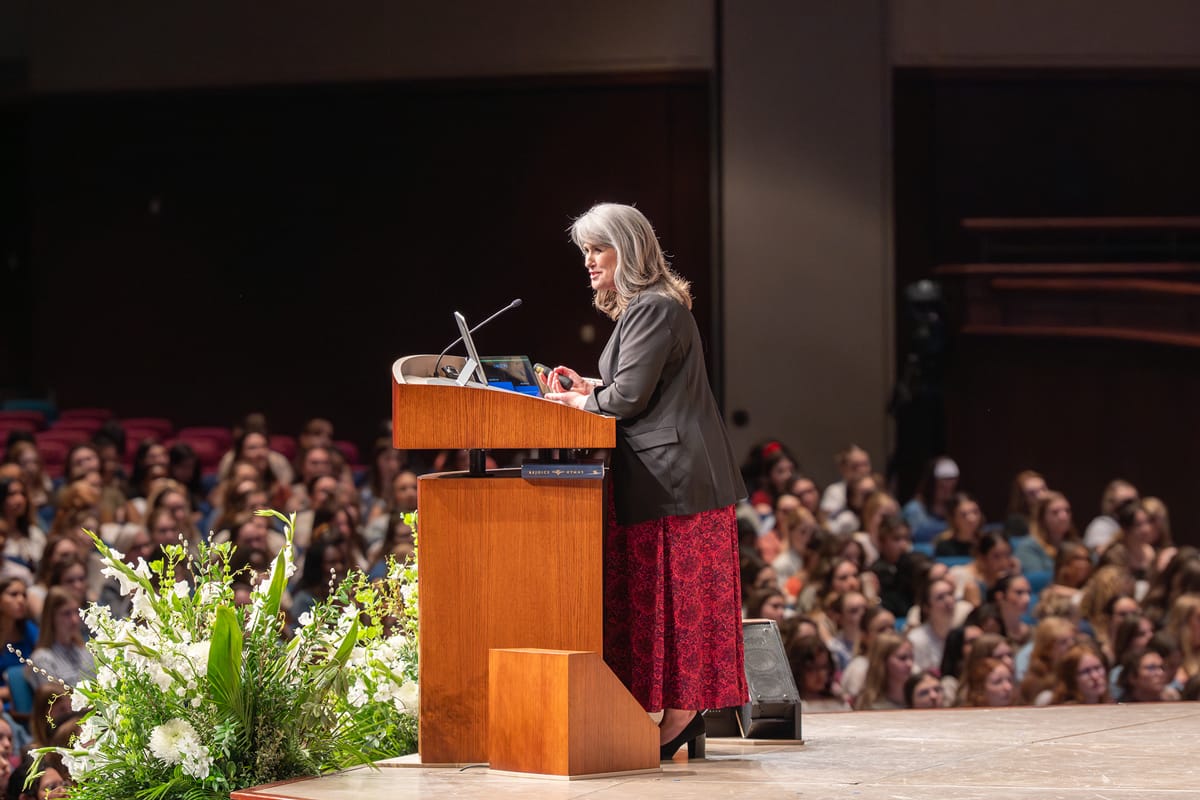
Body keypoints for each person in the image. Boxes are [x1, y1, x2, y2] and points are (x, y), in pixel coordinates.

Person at [544, 203, 747, 760]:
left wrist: (584, 399)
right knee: (667, 601)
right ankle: (678, 713)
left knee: (681, 601)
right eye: (585, 251)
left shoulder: (653, 307)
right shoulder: (649, 308)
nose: (588, 262)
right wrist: (587, 386)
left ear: (628, 250)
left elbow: (628, 399)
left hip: (675, 484)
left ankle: (681, 714)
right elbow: (635, 387)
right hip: (667, 480)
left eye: (598, 249)